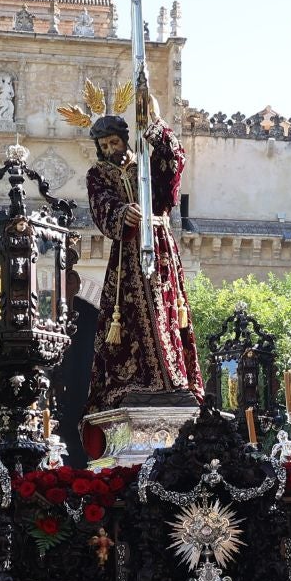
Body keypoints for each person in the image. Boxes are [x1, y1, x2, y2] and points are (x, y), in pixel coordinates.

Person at [80, 95, 203, 415]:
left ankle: (173, 381)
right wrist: (121, 214)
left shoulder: (146, 164)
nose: (110, 150)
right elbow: (101, 207)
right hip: (127, 259)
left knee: (165, 309)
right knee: (129, 320)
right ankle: (134, 383)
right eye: (104, 145)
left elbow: (173, 166)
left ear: (124, 139)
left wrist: (155, 123)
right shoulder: (98, 175)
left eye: (114, 142)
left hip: (160, 248)